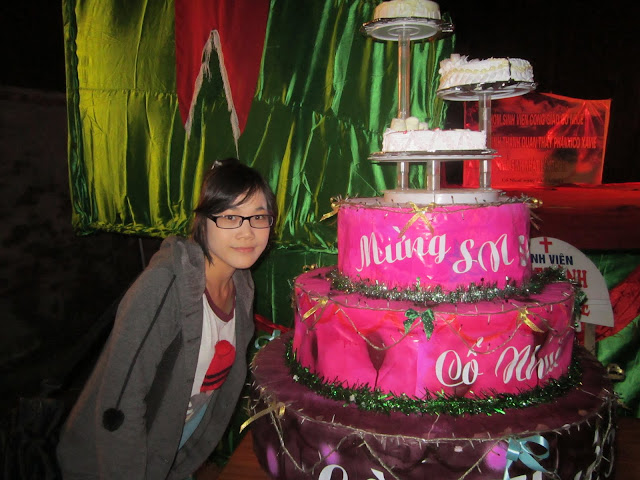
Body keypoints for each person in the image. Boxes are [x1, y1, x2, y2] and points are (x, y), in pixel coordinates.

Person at [57, 158, 277, 479]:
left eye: (258, 217)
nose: (247, 232)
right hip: (119, 459)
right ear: (203, 221)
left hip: (176, 448)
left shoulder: (241, 285)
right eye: (230, 217)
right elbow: (120, 401)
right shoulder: (166, 284)